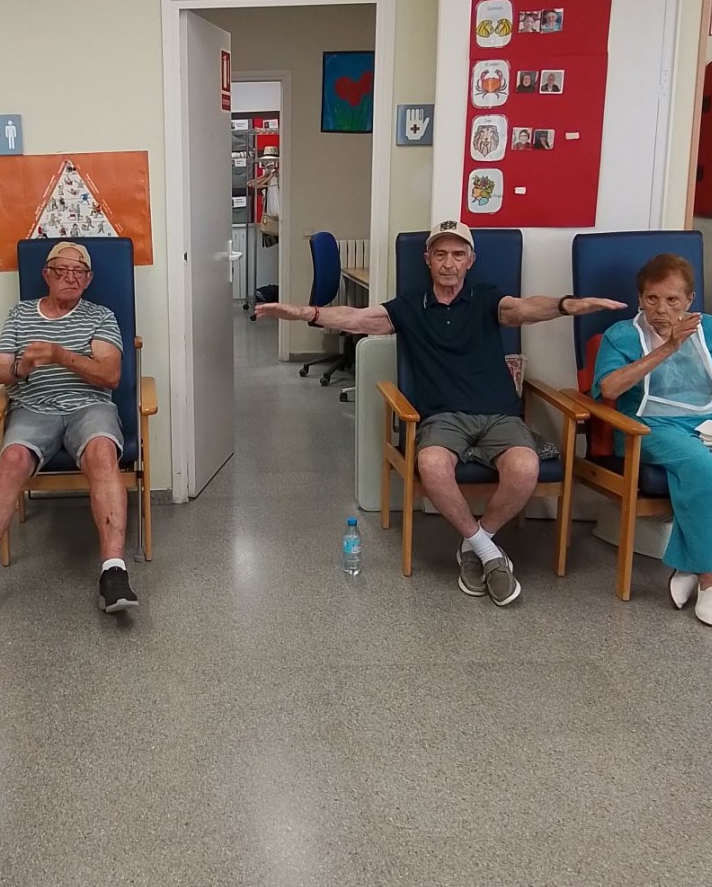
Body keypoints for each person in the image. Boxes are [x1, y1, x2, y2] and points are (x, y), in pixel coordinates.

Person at [257, 221, 623, 606]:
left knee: (525, 468)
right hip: (443, 418)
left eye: (458, 254)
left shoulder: (487, 299)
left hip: (499, 414)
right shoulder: (410, 306)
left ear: (470, 261)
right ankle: (489, 553)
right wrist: (302, 312)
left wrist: (566, 305)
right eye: (441, 254)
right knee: (431, 465)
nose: (449, 263)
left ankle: (475, 546)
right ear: (427, 259)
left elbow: (524, 309)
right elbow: (356, 318)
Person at [0, 241, 136, 632]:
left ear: (89, 279)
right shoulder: (20, 314)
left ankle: (113, 572)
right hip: (33, 408)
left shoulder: (100, 316)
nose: (71, 278)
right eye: (62, 270)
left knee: (102, 452)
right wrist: (22, 366)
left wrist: (59, 355)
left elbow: (110, 375)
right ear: (46, 274)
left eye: (79, 272)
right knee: (12, 460)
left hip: (89, 407)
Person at [593, 254, 712, 625]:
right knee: (702, 468)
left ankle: (687, 563)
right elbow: (608, 388)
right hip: (649, 427)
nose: (661, 309)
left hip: (709, 421)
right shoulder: (621, 335)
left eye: (672, 300)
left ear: (689, 300)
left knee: (702, 465)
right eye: (652, 299)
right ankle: (710, 579)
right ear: (640, 298)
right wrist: (669, 347)